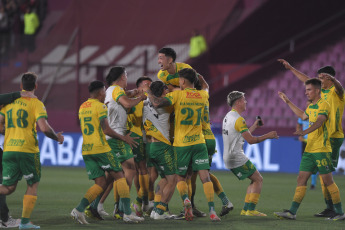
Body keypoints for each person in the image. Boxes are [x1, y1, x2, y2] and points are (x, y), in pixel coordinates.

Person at [149, 68, 220, 221]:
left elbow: (156, 103)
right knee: (205, 178)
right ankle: (213, 211)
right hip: (199, 142)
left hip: (181, 144)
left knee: (180, 178)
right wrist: (199, 76)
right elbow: (206, 85)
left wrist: (147, 92)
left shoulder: (177, 95)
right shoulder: (203, 95)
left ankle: (186, 201)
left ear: (182, 81)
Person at [278, 59, 345, 218]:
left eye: (322, 77)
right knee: (321, 178)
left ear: (329, 78)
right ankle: (329, 208)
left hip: (332, 137)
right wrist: (291, 68)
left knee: (326, 177)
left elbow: (340, 88)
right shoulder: (318, 96)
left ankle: (338, 211)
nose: (319, 80)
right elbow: (308, 82)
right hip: (317, 139)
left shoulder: (336, 92)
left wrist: (333, 79)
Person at [71, 80, 144, 224]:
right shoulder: (100, 107)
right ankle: (127, 213)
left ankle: (79, 210)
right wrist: (123, 138)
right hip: (101, 148)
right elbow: (106, 129)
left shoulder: (82, 106)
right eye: (104, 91)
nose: (105, 94)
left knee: (100, 183)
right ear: (100, 93)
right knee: (120, 177)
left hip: (86, 149)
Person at [0, 72, 64, 229]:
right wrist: (57, 138)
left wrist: (8, 131)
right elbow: (44, 128)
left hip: (8, 149)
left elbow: (0, 123)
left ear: (21, 86)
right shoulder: (36, 103)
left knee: (8, 188)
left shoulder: (9, 103)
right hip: (28, 150)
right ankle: (24, 223)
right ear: (36, 86)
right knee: (32, 183)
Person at [222, 91, 278, 217]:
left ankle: (246, 210)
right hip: (236, 157)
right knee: (259, 179)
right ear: (238, 102)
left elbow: (240, 137)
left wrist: (253, 126)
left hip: (229, 157)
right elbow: (251, 140)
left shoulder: (228, 116)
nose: (246, 101)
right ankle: (251, 210)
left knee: (254, 180)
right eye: (244, 99)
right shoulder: (238, 119)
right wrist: (268, 135)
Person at [104, 66, 147, 219]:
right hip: (117, 136)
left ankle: (99, 206)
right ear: (122, 77)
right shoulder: (116, 89)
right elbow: (127, 104)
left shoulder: (110, 90)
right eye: (126, 75)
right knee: (130, 170)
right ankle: (124, 211)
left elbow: (122, 98)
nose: (127, 79)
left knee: (113, 175)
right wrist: (140, 98)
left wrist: (132, 93)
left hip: (113, 136)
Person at [143, 81, 177, 220]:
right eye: (166, 89)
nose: (168, 92)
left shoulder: (144, 103)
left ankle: (155, 210)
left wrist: (146, 91)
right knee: (173, 179)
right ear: (162, 91)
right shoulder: (167, 104)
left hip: (150, 146)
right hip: (162, 146)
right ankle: (160, 211)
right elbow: (158, 103)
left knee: (164, 178)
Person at [129, 77, 152, 217]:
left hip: (148, 139)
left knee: (146, 170)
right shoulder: (137, 100)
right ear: (138, 88)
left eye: (150, 84)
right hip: (137, 137)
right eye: (146, 84)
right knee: (140, 170)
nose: (149, 86)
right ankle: (143, 200)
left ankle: (146, 201)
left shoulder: (151, 99)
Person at [296, 115, 317, 190]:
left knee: (314, 162)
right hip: (305, 142)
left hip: (314, 141)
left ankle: (313, 183)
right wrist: (300, 135)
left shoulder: (316, 114)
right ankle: (304, 182)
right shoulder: (302, 116)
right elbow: (298, 125)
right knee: (305, 161)